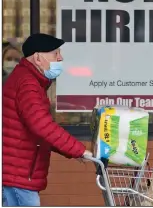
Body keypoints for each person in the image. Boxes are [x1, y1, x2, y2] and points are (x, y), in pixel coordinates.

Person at [2, 33, 92, 206]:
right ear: (37, 58)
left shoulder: (29, 80)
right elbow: (42, 125)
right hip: (17, 175)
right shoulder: (28, 84)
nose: (60, 57)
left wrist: (73, 151)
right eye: (55, 53)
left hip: (17, 172)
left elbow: (39, 130)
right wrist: (79, 150)